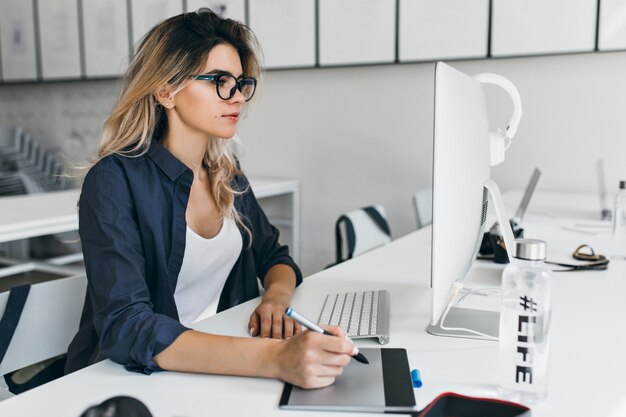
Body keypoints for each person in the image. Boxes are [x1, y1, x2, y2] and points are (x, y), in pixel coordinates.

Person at [65, 8, 356, 389]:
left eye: (240, 82)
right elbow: (127, 325)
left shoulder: (225, 171)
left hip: (212, 367)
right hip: (130, 380)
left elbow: (275, 258)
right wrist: (276, 359)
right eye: (219, 81)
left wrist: (275, 300)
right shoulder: (114, 181)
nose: (236, 97)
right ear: (166, 90)